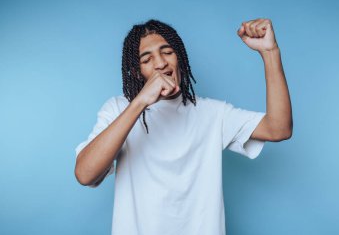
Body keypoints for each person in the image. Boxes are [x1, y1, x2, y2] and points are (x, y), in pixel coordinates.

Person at [74, 18, 292, 235]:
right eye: (146, 59)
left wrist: (270, 52)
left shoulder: (213, 113)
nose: (160, 63)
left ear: (180, 57)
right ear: (137, 71)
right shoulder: (118, 109)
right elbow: (85, 174)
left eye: (167, 52)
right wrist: (139, 102)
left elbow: (279, 129)